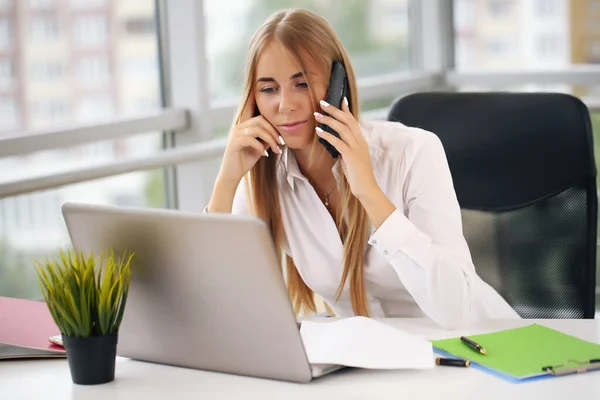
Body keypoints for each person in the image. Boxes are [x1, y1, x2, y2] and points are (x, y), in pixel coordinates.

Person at [206, 8, 520, 329]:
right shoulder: (265, 178)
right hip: (372, 365)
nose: (285, 104)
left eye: (301, 84)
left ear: (336, 85)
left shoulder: (412, 152)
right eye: (269, 89)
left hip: (479, 348)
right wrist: (227, 180)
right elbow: (219, 303)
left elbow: (456, 307)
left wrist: (368, 192)